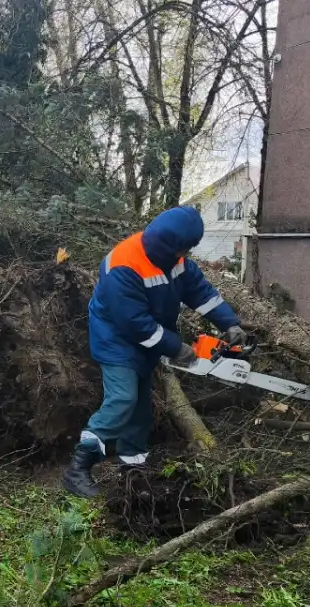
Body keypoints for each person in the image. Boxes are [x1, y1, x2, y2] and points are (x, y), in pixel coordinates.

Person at [62, 205, 246, 498]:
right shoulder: (124, 264)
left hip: (149, 339)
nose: (183, 255)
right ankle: (78, 468)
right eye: (182, 250)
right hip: (116, 339)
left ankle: (132, 470)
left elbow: (200, 291)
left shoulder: (175, 260)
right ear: (171, 245)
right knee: (123, 398)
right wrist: (178, 349)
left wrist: (229, 324)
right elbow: (135, 324)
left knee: (141, 409)